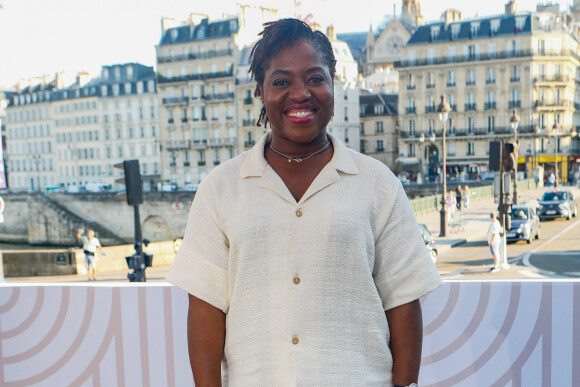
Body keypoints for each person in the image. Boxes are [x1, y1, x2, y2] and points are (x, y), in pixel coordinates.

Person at [167, 18, 442, 387]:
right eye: (281, 82)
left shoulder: (379, 184)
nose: (300, 93)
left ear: (334, 85)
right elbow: (205, 308)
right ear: (261, 92)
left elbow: (403, 302)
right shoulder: (220, 188)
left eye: (315, 78)